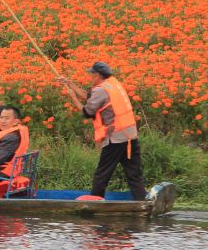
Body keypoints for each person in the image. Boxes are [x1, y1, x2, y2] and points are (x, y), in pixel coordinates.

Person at [58, 61, 147, 201]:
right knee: (134, 174)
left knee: (102, 173)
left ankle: (95, 201)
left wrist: (72, 98)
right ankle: (142, 201)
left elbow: (87, 112)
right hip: (130, 136)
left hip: (116, 137)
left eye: (92, 73)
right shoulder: (112, 84)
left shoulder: (101, 90)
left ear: (98, 75)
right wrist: (69, 83)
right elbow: (89, 96)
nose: (90, 76)